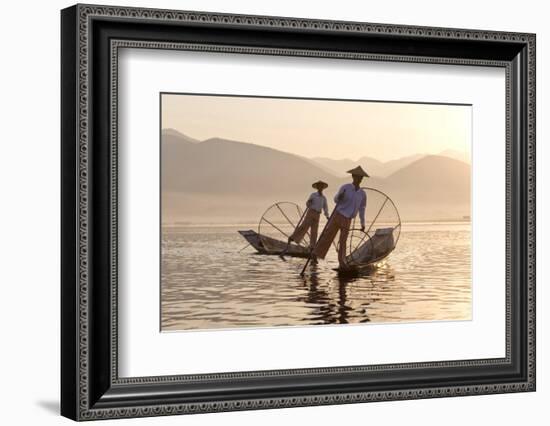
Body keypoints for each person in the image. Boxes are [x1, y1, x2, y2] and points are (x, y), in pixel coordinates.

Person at [312, 166, 368, 268]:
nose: (359, 179)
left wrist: (363, 223)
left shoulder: (362, 194)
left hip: (348, 219)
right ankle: (316, 254)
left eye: (360, 177)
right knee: (328, 235)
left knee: (343, 241)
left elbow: (362, 209)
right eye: (357, 177)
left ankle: (342, 262)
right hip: (338, 215)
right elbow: (336, 200)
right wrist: (339, 197)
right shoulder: (345, 187)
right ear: (353, 176)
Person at [281, 181, 329, 256]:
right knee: (304, 226)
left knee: (314, 231)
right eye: (319, 186)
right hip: (311, 212)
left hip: (317, 215)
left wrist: (327, 215)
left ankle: (312, 247)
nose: (320, 188)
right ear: (317, 187)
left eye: (322, 186)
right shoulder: (313, 195)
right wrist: (309, 202)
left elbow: (325, 207)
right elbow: (307, 204)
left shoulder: (323, 198)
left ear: (323, 188)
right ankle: (292, 237)